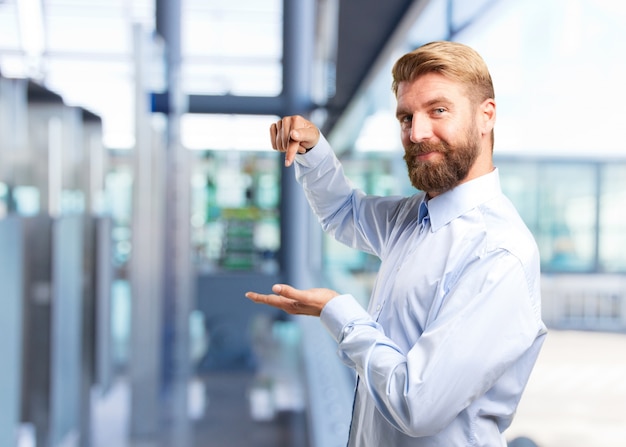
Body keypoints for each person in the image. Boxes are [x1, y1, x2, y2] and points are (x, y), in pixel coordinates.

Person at [246, 41, 547, 447]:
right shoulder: (414, 217)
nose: (417, 133)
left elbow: (416, 404)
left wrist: (336, 311)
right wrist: (313, 149)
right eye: (406, 117)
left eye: (438, 110)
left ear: (485, 116)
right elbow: (344, 213)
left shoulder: (498, 252)